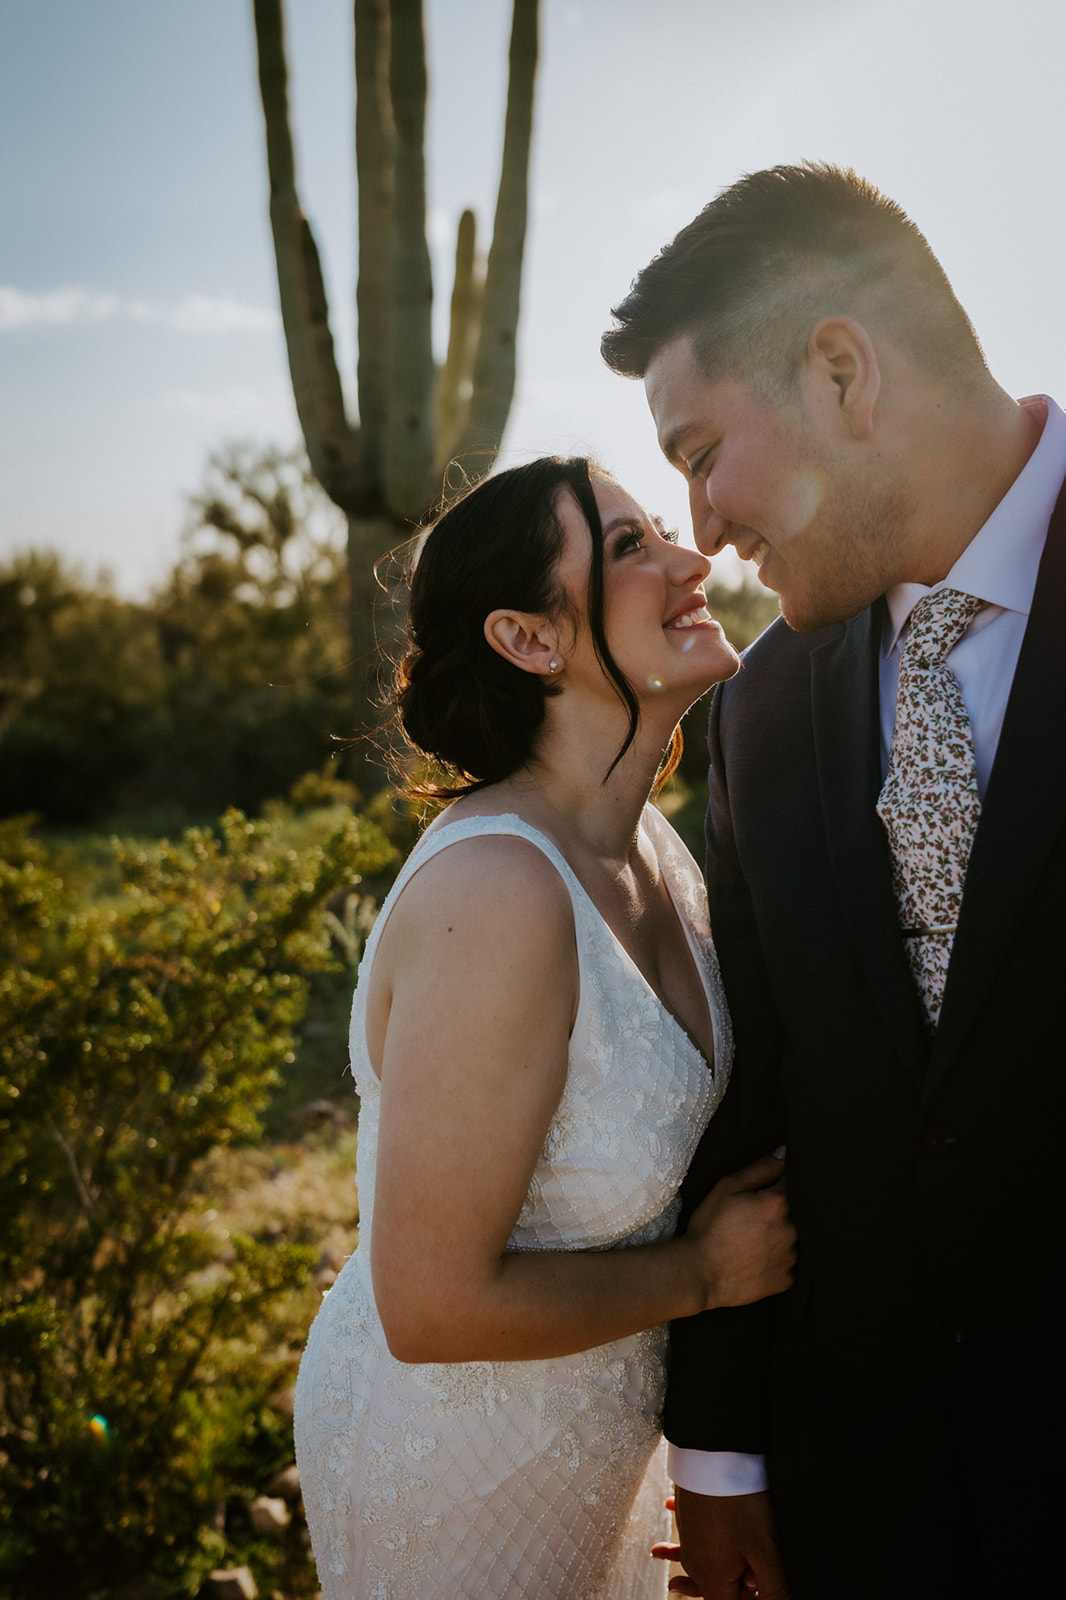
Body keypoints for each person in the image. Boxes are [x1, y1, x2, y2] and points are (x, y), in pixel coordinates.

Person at [600, 161, 1066, 1599]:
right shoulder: (761, 708)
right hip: (863, 1496)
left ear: (842, 369)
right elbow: (762, 1088)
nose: (701, 527)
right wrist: (723, 1455)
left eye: (698, 451)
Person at [293, 455, 796, 1600]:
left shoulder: (653, 848)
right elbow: (428, 1304)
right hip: (454, 1472)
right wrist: (708, 1278)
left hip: (594, 1449)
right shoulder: (500, 894)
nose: (692, 558)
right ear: (529, 639)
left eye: (664, 530)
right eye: (627, 547)